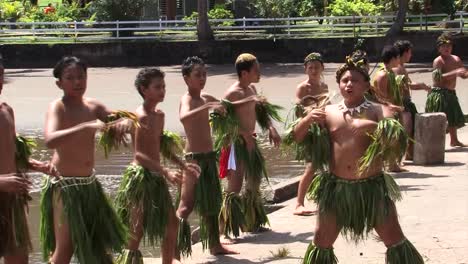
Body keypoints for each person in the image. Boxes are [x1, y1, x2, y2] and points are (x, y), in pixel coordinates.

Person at [293, 57, 424, 264]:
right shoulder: (328, 111)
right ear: (339, 85)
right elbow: (296, 137)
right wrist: (307, 119)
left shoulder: (379, 110)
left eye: (354, 80)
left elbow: (396, 140)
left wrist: (369, 125)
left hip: (372, 188)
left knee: (394, 238)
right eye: (344, 81)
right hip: (337, 189)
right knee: (321, 240)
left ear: (366, 85)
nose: (349, 84)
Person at [40, 56, 131, 264]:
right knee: (65, 249)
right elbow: (49, 140)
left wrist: (124, 121)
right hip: (65, 186)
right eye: (70, 78)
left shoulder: (93, 106)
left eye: (81, 77)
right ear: (59, 83)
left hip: (89, 186)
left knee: (98, 245)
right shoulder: (58, 107)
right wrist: (85, 127)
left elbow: (120, 117)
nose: (77, 82)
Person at [113, 67, 201, 264]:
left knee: (171, 225)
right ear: (144, 90)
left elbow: (160, 145)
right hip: (141, 177)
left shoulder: (159, 115)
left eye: (164, 86)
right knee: (136, 229)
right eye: (157, 87)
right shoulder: (139, 117)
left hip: (156, 176)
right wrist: (166, 171)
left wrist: (182, 165)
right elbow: (139, 155)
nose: (162, 91)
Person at [214, 53, 281, 242]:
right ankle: (224, 230)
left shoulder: (251, 88)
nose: (259, 73)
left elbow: (260, 112)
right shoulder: (232, 94)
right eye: (256, 70)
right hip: (236, 145)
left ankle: (252, 221)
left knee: (254, 183)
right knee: (233, 188)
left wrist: (270, 128)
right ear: (244, 73)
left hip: (252, 142)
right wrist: (243, 135)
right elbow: (222, 123)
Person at [176, 56, 238, 256]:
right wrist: (206, 107)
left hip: (210, 157)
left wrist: (225, 109)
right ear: (186, 78)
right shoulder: (187, 99)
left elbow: (226, 107)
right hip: (193, 160)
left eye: (204, 74)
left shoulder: (206, 97)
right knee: (186, 206)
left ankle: (215, 245)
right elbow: (184, 116)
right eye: (197, 75)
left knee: (212, 203)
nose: (202, 78)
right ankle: (173, 250)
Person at [0, 54, 56, 264]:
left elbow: (12, 153)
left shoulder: (6, 111)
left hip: (11, 201)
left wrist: (37, 165)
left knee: (18, 258)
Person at [292, 52, 329, 216]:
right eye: (310, 67)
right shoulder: (303, 88)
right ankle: (299, 203)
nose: (314, 70)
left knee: (329, 164)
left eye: (317, 67)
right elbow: (299, 110)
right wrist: (312, 112)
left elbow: (328, 104)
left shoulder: (324, 87)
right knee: (311, 166)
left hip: (324, 128)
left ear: (322, 68)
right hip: (309, 130)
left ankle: (325, 198)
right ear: (305, 69)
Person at [425, 33, 467, 147]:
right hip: (439, 93)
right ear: (439, 48)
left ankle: (454, 140)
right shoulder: (438, 61)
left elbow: (463, 74)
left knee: (453, 117)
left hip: (451, 92)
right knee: (440, 119)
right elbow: (437, 78)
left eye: (448, 46)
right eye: (443, 46)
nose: (446, 48)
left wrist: (464, 74)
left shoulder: (456, 59)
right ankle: (434, 143)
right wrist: (455, 72)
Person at [393, 40, 431, 160]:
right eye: (410, 52)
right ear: (405, 52)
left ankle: (409, 155)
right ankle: (401, 157)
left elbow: (407, 84)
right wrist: (422, 86)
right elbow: (407, 85)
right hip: (402, 103)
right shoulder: (397, 68)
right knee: (406, 130)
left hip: (406, 102)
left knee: (412, 130)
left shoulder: (400, 66)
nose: (411, 55)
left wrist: (422, 86)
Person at [372, 45, 407, 172]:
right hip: (385, 111)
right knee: (389, 138)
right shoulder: (382, 75)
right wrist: (392, 107)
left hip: (394, 109)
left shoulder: (391, 73)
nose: (399, 60)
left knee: (395, 138)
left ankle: (393, 163)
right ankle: (389, 164)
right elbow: (379, 97)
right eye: (398, 57)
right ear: (392, 58)